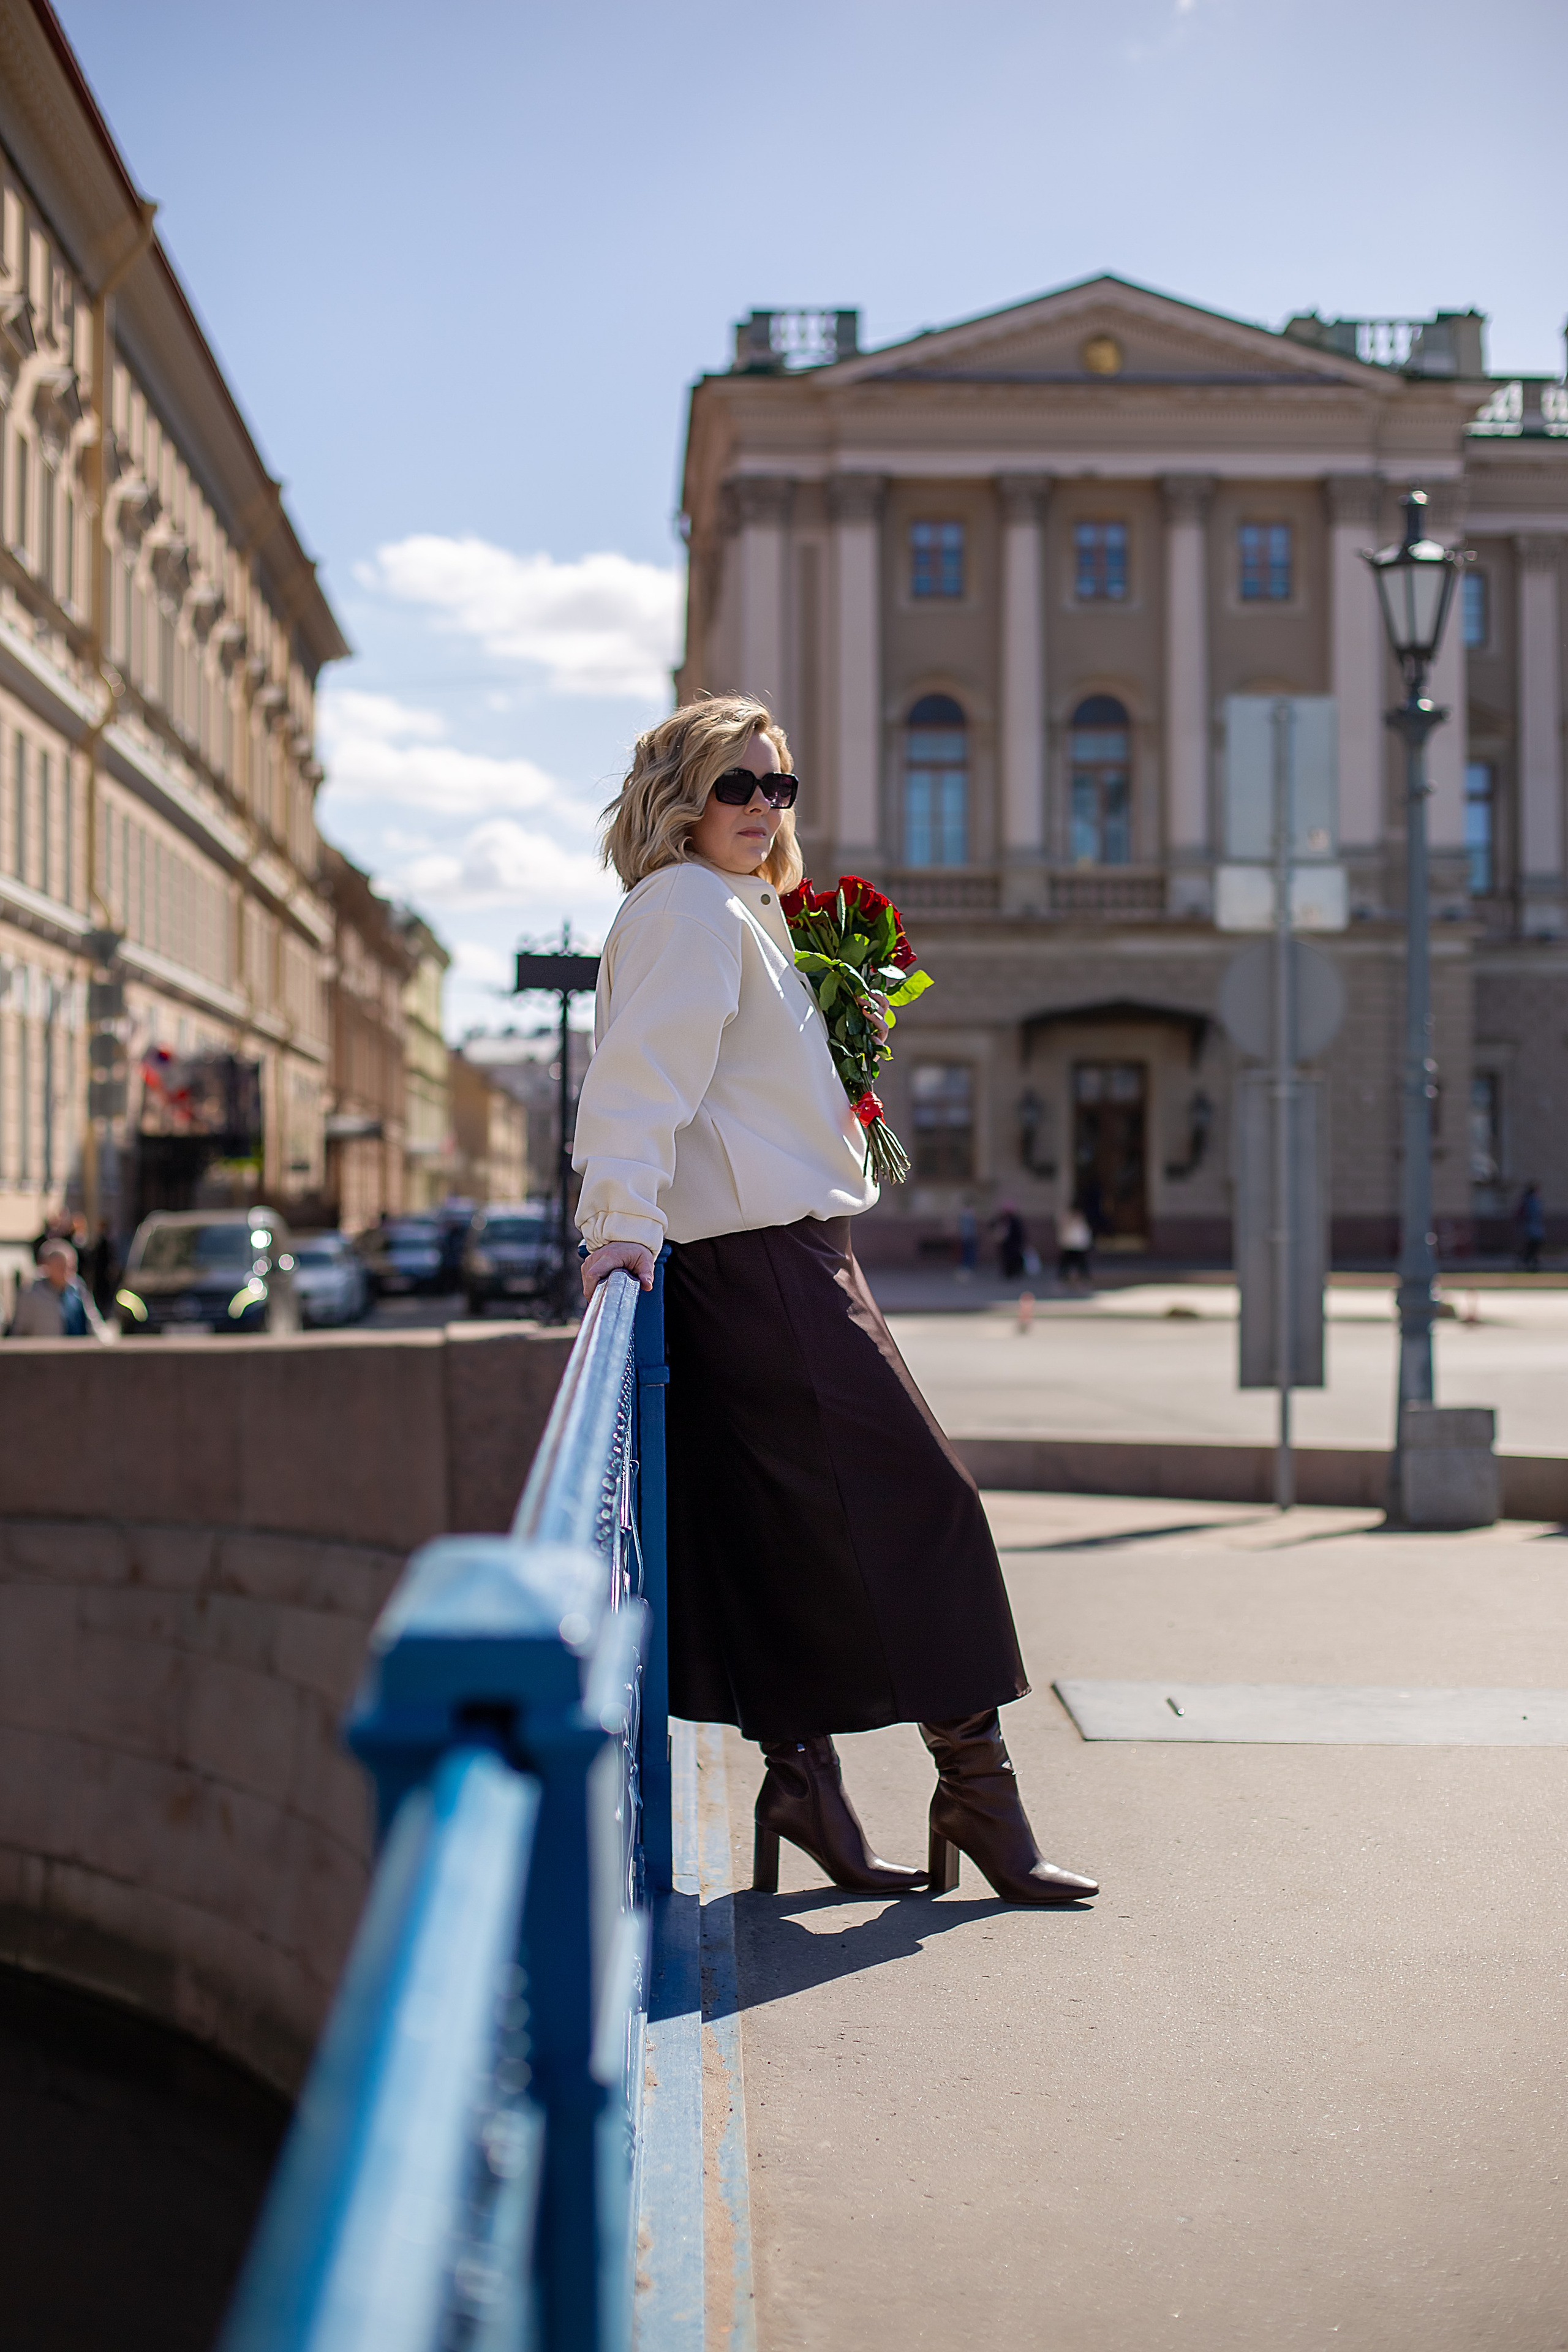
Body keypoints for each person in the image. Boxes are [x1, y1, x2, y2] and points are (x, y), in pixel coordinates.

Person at [572, 694, 1096, 1907]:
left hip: (788, 1261)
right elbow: (636, 1088)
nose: (762, 807)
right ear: (678, 798)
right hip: (760, 1273)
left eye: (778, 787)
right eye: (736, 785)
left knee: (784, 1532)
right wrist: (615, 1231)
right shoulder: (687, 912)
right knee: (929, 1507)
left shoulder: (735, 913)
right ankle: (976, 1792)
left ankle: (802, 1778)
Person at [6, 1241, 111, 1339]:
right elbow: (19, 1331)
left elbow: (94, 1321)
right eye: (61, 1267)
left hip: (77, 1353)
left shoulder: (78, 1288)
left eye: (70, 1267)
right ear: (48, 1267)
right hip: (44, 1354)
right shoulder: (31, 1293)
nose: (67, 1272)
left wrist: (106, 1341)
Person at [1057, 1204, 1093, 1291]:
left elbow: (1085, 1234)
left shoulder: (1082, 1222)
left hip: (1079, 1247)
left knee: (1081, 1264)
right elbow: (1064, 1233)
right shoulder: (1068, 1220)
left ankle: (1084, 1280)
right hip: (1069, 1246)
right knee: (1066, 1264)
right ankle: (1063, 1279)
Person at [993, 1202, 1027, 1283]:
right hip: (1006, 1243)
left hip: (1014, 1243)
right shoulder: (1003, 1219)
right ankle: (1008, 1273)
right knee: (1006, 1258)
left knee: (1013, 1258)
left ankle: (1013, 1273)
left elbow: (1019, 1232)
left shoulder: (1015, 1220)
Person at [1516, 1182, 1545, 1273]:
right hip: (1533, 1230)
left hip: (1532, 1229)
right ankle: (1529, 1265)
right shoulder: (1532, 1201)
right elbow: (1533, 1215)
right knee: (1533, 1248)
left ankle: (1529, 1264)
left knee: (1532, 1248)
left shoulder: (1529, 1200)